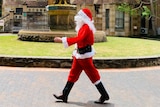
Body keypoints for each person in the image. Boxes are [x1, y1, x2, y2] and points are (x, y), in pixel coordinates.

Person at [53, 8, 109, 104]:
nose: (76, 18)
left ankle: (104, 95)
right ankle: (64, 94)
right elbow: (80, 41)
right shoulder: (83, 26)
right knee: (73, 74)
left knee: (93, 75)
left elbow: (79, 39)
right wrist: (75, 51)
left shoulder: (86, 27)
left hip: (85, 57)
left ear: (84, 18)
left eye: (79, 16)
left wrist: (62, 40)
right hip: (80, 55)